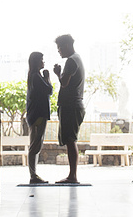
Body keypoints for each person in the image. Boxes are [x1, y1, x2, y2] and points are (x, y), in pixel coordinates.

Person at [53, 34, 85, 184]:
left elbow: (64, 82)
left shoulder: (71, 61)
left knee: (70, 140)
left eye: (59, 48)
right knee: (70, 139)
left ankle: (72, 176)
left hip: (71, 105)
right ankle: (72, 175)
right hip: (73, 104)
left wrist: (58, 74)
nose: (58, 51)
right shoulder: (77, 59)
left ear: (65, 46)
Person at [25, 51, 52, 184]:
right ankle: (33, 175)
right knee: (35, 145)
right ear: (36, 62)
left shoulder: (34, 76)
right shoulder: (36, 76)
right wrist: (48, 77)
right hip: (37, 116)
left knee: (36, 145)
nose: (43, 62)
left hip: (37, 115)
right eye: (41, 59)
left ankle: (34, 174)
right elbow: (49, 90)